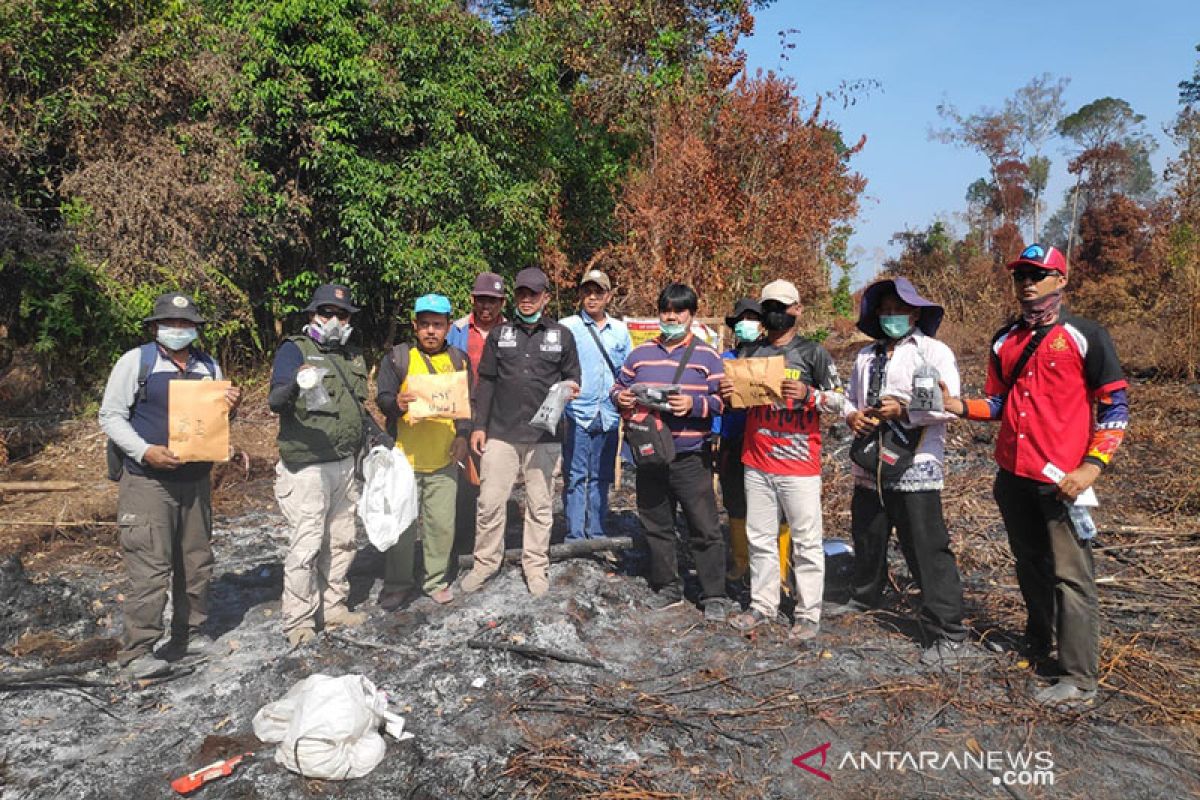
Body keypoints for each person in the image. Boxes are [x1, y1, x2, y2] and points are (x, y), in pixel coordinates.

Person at [942, 244, 1128, 705]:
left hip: (1062, 481)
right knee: (1030, 565)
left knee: (1071, 577)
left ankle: (1078, 678)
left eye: (1038, 274)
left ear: (1060, 280)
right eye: (1020, 275)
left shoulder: (1085, 336)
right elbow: (999, 403)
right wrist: (958, 406)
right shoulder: (1005, 340)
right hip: (1014, 475)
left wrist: (1091, 466)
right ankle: (1038, 641)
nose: (1027, 283)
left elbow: (1114, 407)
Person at [99, 292, 242, 679]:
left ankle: (190, 634)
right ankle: (138, 651)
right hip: (148, 482)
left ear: (196, 329)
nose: (179, 330)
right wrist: (145, 451)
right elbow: (111, 416)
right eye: (171, 324)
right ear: (154, 327)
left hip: (195, 482)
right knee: (149, 567)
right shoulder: (137, 362)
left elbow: (215, 420)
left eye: (186, 324)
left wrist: (231, 403)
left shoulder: (207, 365)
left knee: (195, 562)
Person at [841, 278, 970, 665]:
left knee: (926, 547)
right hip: (870, 462)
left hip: (916, 465)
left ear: (915, 313)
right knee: (868, 534)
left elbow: (947, 405)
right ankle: (865, 598)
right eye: (885, 310)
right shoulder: (866, 356)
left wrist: (905, 410)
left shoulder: (931, 353)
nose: (891, 316)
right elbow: (851, 398)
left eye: (899, 309)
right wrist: (853, 417)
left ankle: (947, 629)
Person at [722, 280, 842, 642]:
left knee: (806, 541)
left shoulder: (813, 353)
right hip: (757, 460)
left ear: (797, 310)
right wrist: (728, 394)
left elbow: (839, 401)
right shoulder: (750, 352)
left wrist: (809, 394)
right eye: (768, 306)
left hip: (799, 464)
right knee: (760, 538)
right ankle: (762, 604)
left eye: (781, 306)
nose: (775, 313)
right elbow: (735, 402)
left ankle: (807, 613)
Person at [459, 267, 581, 597]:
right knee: (490, 503)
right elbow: (487, 384)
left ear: (546, 297)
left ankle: (535, 566)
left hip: (544, 436)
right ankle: (484, 563)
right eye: (521, 294)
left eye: (533, 294)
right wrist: (479, 427)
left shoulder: (561, 336)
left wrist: (571, 389)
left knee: (540, 506)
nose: (526, 300)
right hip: (501, 432)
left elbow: (573, 378)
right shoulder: (501, 335)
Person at [612, 283, 729, 622]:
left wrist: (693, 404)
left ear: (691, 316)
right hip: (649, 454)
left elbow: (722, 401)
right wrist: (620, 397)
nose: (671, 317)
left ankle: (714, 594)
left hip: (691, 454)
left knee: (704, 526)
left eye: (679, 311)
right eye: (666, 310)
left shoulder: (708, 356)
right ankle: (667, 587)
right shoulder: (640, 354)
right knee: (656, 523)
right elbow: (619, 387)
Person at [268, 284, 370, 645]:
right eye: (326, 313)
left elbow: (357, 407)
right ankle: (299, 620)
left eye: (342, 315)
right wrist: (295, 384)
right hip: (307, 466)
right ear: (313, 315)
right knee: (307, 544)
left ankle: (334, 606)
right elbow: (276, 401)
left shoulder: (352, 356)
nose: (334, 321)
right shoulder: (294, 350)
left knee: (342, 539)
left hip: (345, 463)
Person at [375, 294, 472, 609]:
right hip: (403, 459)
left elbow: (466, 407)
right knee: (402, 527)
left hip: (444, 457)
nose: (431, 331)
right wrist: (396, 405)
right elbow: (383, 399)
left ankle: (435, 580)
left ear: (447, 327)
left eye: (438, 325)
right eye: (425, 324)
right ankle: (397, 583)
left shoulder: (458, 360)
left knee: (441, 525)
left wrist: (463, 436)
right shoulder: (398, 358)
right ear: (415, 325)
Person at [559, 269, 632, 555]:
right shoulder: (567, 327)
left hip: (608, 413)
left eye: (598, 292)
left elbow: (627, 371)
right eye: (587, 291)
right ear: (580, 294)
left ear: (608, 296)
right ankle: (575, 534)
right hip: (577, 412)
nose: (592, 297)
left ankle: (597, 531)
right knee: (575, 474)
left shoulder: (620, 331)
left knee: (602, 475)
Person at [447, 272, 507, 559]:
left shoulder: (512, 331)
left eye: (493, 301)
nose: (486, 306)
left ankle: (491, 544)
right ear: (473, 299)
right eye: (482, 300)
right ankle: (462, 544)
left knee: (494, 480)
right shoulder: (456, 330)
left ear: (502, 303)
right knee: (461, 480)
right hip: (461, 411)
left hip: (499, 413)